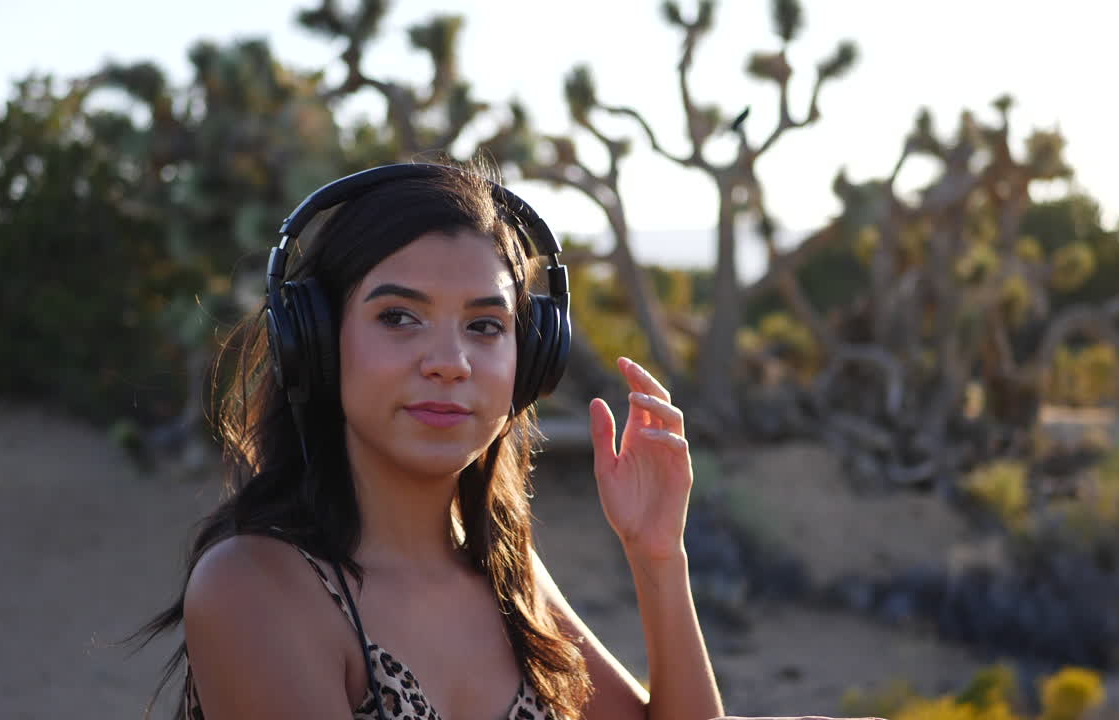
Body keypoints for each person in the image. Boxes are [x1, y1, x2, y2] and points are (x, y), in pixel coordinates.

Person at [136, 161, 868, 720]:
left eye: (486, 326)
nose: (449, 361)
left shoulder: (504, 571)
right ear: (318, 345)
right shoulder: (256, 587)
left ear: (528, 362)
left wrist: (657, 556)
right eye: (399, 317)